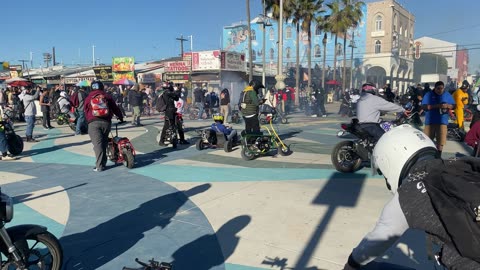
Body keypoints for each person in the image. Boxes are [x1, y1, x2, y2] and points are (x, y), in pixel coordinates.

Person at [343, 124, 480, 270]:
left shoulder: (409, 193)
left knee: (368, 268)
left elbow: (376, 242)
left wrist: (351, 263)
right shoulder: (458, 165)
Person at [84, 80, 124, 172]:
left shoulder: (89, 97)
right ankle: (103, 162)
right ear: (102, 87)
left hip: (93, 123)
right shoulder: (107, 96)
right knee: (104, 142)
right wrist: (120, 117)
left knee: (98, 144)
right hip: (106, 122)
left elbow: (85, 110)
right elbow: (115, 108)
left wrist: (88, 120)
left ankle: (99, 166)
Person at [421, 81, 455, 157]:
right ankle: (427, 156)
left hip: (442, 122)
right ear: (435, 88)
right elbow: (424, 107)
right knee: (427, 141)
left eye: (442, 88)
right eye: (438, 88)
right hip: (430, 122)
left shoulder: (447, 95)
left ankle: (438, 156)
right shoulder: (429, 95)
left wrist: (449, 106)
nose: (440, 90)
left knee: (441, 141)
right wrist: (437, 106)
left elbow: (454, 105)